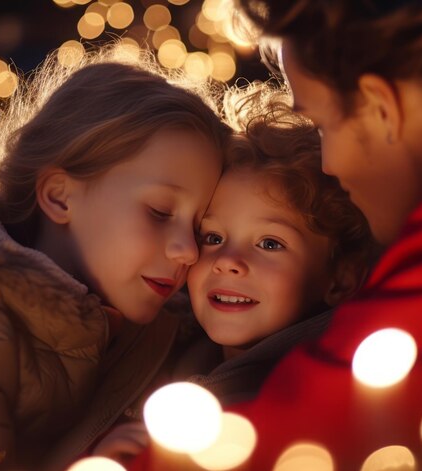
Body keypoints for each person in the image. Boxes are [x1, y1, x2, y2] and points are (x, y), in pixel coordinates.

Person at [128, 0, 422, 470]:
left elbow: (315, 419)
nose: (329, 165)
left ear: (382, 106)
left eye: (324, 125)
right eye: (213, 236)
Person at [0, 41, 230, 469]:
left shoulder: (167, 327)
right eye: (159, 212)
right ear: (60, 197)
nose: (188, 251)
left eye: (199, 228)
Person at [90, 85, 376, 464]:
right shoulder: (163, 353)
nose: (228, 260)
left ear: (339, 279)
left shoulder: (304, 396)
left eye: (270, 243)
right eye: (212, 237)